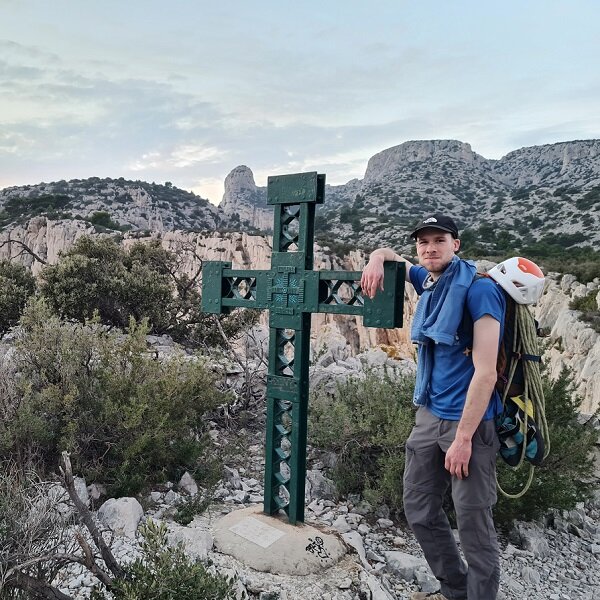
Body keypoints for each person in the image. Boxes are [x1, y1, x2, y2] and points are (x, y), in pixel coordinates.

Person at [360, 214, 504, 600]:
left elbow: (486, 373)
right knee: (419, 509)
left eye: (439, 240)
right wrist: (376, 258)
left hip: (469, 425)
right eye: (423, 242)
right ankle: (454, 590)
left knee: (473, 521)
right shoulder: (429, 282)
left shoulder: (478, 291)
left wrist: (463, 438)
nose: (430, 248)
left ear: (456, 244)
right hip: (429, 416)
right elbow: (392, 255)